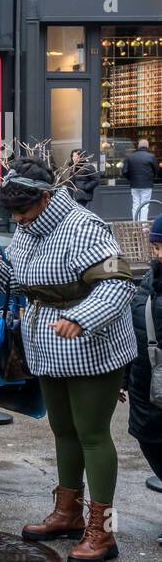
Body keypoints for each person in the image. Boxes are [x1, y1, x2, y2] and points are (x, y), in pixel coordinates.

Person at [0, 156, 136, 562]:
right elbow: (20, 284)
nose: (18, 219)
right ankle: (67, 512)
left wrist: (80, 318)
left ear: (47, 197)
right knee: (63, 430)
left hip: (92, 346)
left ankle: (101, 531)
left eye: (24, 209)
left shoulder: (84, 228)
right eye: (12, 211)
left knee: (92, 433)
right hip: (46, 346)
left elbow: (119, 284)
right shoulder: (30, 229)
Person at [125, 213, 162, 543]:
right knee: (149, 440)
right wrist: (125, 377)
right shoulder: (149, 282)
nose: (158, 253)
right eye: (156, 246)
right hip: (145, 383)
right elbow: (134, 330)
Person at [123, 139, 157, 221]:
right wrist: (151, 178)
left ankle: (136, 224)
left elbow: (124, 171)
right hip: (147, 184)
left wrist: (131, 178)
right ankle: (143, 225)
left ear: (138, 146)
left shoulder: (130, 156)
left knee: (135, 204)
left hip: (134, 184)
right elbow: (156, 170)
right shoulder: (151, 156)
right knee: (145, 205)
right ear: (147, 146)